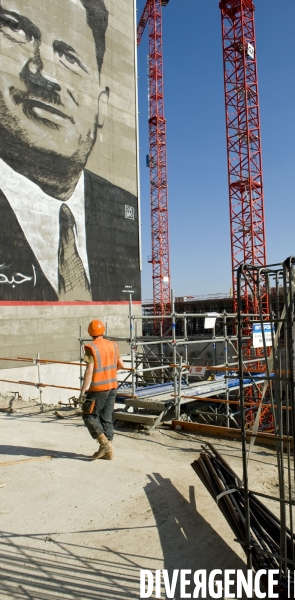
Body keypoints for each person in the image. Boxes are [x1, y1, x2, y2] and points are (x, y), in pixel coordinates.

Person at [0, 0, 140, 301]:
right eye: (16, 29)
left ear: (102, 104)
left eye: (69, 58)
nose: (45, 72)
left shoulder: (120, 205)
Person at [80, 319, 125, 460]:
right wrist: (109, 373)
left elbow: (89, 371)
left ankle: (104, 444)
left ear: (89, 332)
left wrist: (82, 392)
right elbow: (121, 365)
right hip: (112, 386)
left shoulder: (91, 347)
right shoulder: (113, 345)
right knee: (106, 418)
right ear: (103, 330)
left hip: (98, 388)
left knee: (89, 415)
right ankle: (109, 452)